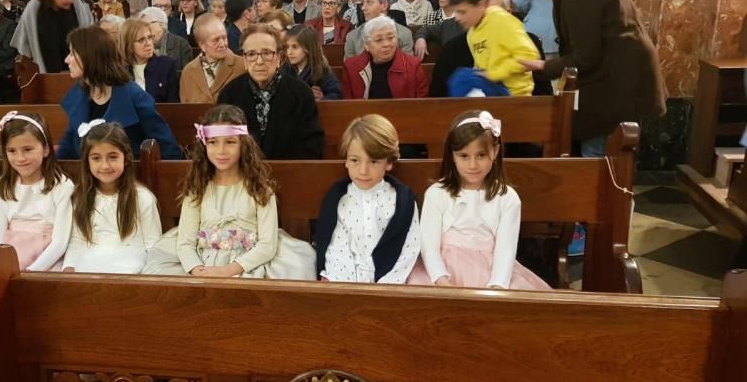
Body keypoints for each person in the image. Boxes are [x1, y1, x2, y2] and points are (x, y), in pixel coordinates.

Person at [143, 105, 316, 280]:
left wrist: (229, 270)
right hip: (203, 264)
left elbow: (267, 245)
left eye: (230, 142)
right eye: (213, 142)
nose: (221, 151)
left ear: (243, 144)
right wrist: (197, 269)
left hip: (247, 266)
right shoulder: (197, 190)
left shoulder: (260, 190)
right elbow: (185, 241)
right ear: (204, 145)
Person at [519, 0, 665, 157]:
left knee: (599, 161)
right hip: (617, 77)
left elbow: (585, 57)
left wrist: (544, 67)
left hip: (616, 82)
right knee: (607, 157)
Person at [407, 110, 550, 290]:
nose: (473, 165)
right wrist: (441, 280)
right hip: (440, 272)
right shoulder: (436, 194)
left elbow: (505, 250)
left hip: (491, 272)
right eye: (464, 156)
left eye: (481, 155)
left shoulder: (507, 198)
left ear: (495, 150)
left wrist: (497, 286)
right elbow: (428, 246)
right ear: (452, 155)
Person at [315, 115, 420, 283]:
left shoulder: (403, 201)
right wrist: (350, 289)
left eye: (374, 161)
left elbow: (409, 247)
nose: (363, 171)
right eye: (355, 160)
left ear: (389, 163)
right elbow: (336, 248)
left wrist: (386, 285)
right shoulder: (339, 199)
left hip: (392, 282)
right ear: (346, 161)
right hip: (344, 280)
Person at [57, 26, 181, 160]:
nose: (67, 60)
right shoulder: (78, 95)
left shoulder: (133, 96)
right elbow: (67, 146)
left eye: (71, 53)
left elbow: (166, 145)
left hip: (130, 176)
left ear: (89, 56)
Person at [62, 122, 162, 274]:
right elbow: (77, 241)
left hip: (131, 268)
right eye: (96, 158)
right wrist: (68, 267)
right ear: (87, 162)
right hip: (90, 265)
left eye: (113, 157)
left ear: (126, 158)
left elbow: (153, 245)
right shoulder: (80, 198)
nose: (105, 166)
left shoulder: (142, 198)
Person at [218, 24, 324, 159]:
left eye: (267, 53)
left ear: (279, 57)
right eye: (251, 54)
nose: (259, 61)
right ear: (244, 60)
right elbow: (222, 145)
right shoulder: (229, 94)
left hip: (290, 174)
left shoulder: (301, 93)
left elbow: (311, 146)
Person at [0, 111, 74, 271]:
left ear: (46, 149)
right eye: (12, 151)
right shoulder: (1, 187)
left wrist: (31, 271)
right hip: (9, 259)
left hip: (47, 260)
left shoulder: (62, 186)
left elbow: (60, 242)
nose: (20, 158)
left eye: (27, 149)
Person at [449, 0, 538, 97]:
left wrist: (494, 74)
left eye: (462, 12)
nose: (457, 18)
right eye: (456, 12)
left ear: (482, 5)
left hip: (515, 95)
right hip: (492, 92)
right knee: (461, 78)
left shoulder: (501, 20)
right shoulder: (472, 32)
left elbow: (529, 56)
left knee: (463, 79)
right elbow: (481, 66)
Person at [11, 0, 94, 73]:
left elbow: (87, 30)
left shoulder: (75, 4)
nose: (71, 0)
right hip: (47, 66)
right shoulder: (35, 7)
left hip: (76, 67)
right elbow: (23, 40)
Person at [342, 15, 428, 99]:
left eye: (390, 38)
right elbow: (348, 106)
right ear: (366, 45)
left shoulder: (413, 65)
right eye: (379, 40)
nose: (386, 44)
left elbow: (421, 105)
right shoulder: (351, 67)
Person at [179, 14, 247, 103]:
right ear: (202, 45)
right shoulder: (188, 72)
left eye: (224, 38)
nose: (222, 44)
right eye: (216, 40)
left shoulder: (242, 66)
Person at [344, 0, 414, 59]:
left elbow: (407, 68)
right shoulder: (352, 37)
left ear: (384, 5)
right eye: (363, 3)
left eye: (369, 2)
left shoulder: (404, 35)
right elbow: (350, 69)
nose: (363, 8)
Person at [119, 18, 179, 104]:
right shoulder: (120, 71)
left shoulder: (166, 65)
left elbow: (174, 106)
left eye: (150, 37)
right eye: (141, 40)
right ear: (129, 45)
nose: (148, 43)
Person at [283, 25, 342, 100]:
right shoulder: (285, 70)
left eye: (295, 47)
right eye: (287, 47)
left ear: (308, 47)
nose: (289, 52)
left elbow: (336, 95)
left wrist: (323, 98)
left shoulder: (321, 71)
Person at [140, 6, 193, 71]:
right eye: (141, 26)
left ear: (160, 24)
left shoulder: (181, 45)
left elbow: (186, 74)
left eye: (146, 25)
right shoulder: (139, 45)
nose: (143, 29)